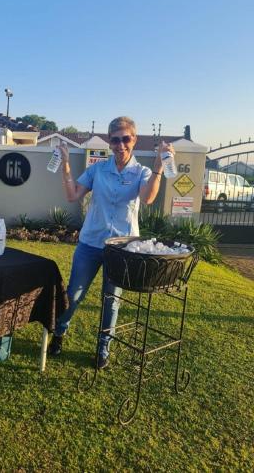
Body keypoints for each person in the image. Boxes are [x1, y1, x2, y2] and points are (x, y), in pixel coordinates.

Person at [48, 116, 174, 369]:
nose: (120, 145)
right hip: (90, 243)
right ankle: (60, 332)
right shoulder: (98, 170)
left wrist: (159, 166)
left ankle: (103, 347)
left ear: (134, 140)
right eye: (115, 140)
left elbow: (148, 198)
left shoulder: (142, 172)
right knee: (74, 294)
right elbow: (72, 195)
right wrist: (66, 166)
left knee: (111, 300)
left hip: (121, 250)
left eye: (126, 139)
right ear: (109, 142)